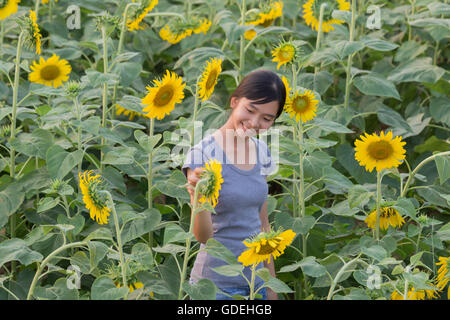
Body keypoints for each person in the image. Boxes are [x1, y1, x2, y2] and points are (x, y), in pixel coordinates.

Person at [182, 69, 286, 300]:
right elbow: (203, 236)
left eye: (267, 119)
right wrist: (197, 197)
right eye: (250, 110)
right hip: (216, 287)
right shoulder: (203, 154)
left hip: (256, 283)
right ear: (234, 101)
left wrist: (270, 286)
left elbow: (262, 223)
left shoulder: (262, 152)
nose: (254, 123)